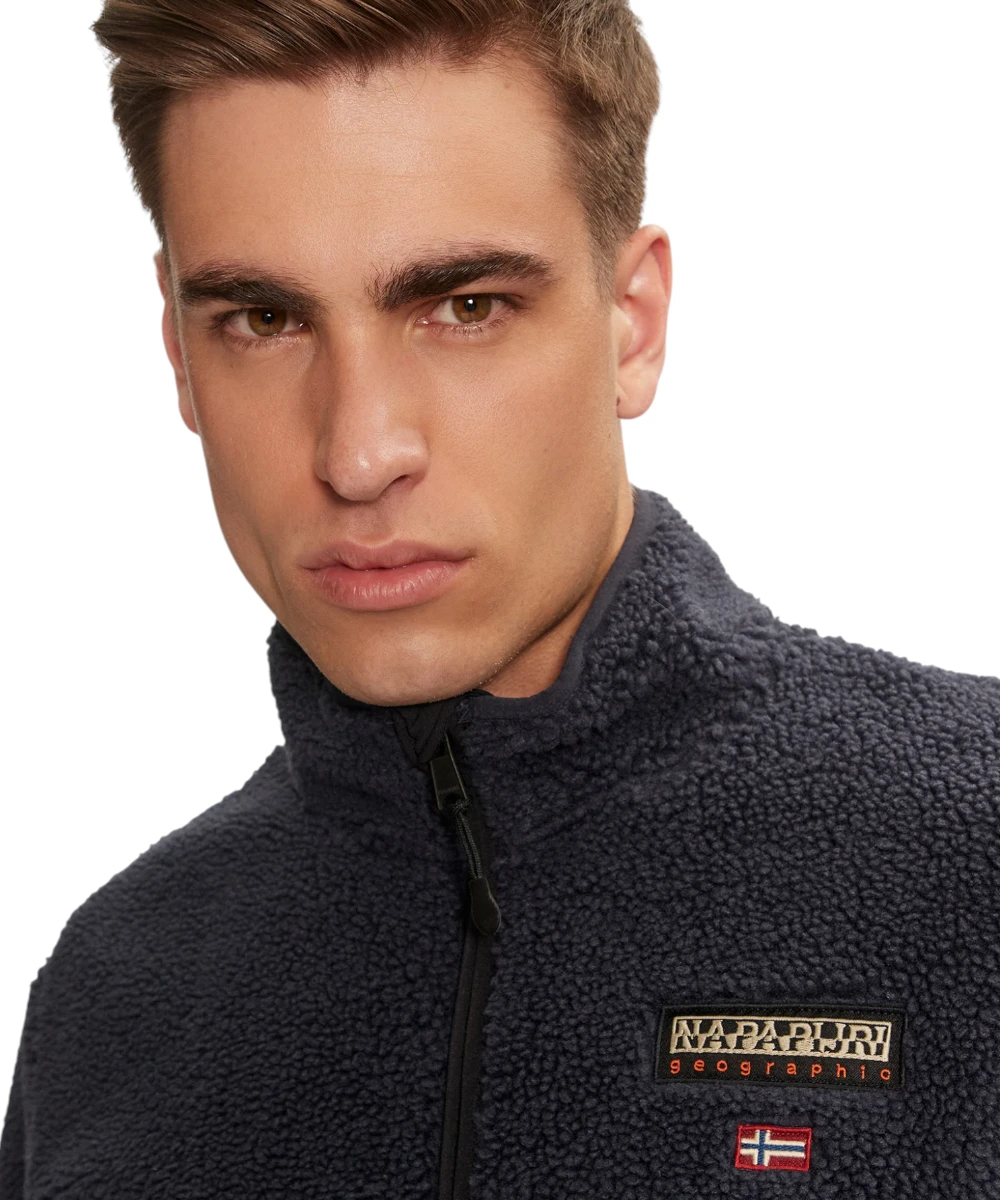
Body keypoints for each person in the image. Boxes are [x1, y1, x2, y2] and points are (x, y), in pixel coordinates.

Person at [2, 0, 999, 1195]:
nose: (358, 453)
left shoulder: (973, 851)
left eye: (464, 308)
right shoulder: (115, 991)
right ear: (178, 348)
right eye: (265, 320)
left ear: (631, 325)